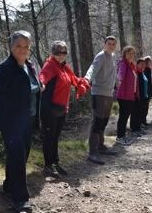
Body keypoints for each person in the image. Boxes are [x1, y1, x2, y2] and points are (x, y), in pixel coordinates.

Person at [0, 31, 40, 213]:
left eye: (26, 46)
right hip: (12, 122)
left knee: (21, 156)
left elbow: (33, 86)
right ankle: (20, 198)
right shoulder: (4, 68)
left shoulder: (29, 66)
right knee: (17, 157)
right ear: (11, 47)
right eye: (18, 46)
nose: (22, 50)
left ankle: (9, 185)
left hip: (28, 119)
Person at [39, 41, 89, 178]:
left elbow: (74, 79)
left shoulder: (64, 67)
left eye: (64, 52)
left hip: (61, 108)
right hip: (50, 109)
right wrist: (41, 83)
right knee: (49, 137)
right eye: (57, 52)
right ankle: (48, 166)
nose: (61, 55)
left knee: (55, 137)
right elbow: (43, 76)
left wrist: (83, 83)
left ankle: (55, 162)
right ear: (52, 53)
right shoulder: (50, 65)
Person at [84, 36, 118, 165]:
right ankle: (92, 152)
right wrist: (87, 79)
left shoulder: (112, 56)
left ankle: (101, 146)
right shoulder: (101, 56)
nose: (111, 46)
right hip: (98, 93)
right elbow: (92, 69)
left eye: (113, 44)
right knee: (97, 121)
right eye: (109, 43)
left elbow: (113, 72)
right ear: (105, 44)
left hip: (109, 94)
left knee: (103, 121)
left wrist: (117, 81)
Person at [115, 46, 140, 146]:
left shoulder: (131, 65)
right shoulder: (123, 64)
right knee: (123, 116)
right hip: (124, 95)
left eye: (133, 53)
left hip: (130, 95)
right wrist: (119, 82)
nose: (131, 55)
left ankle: (122, 135)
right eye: (129, 53)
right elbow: (120, 75)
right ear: (124, 54)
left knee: (125, 116)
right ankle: (120, 137)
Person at [136, 58, 150, 128]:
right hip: (139, 96)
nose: (143, 66)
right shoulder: (136, 73)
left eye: (144, 64)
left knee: (142, 111)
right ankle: (136, 127)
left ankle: (140, 125)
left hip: (144, 95)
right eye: (141, 64)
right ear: (137, 64)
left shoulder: (142, 72)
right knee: (138, 112)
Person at [143, 56, 152, 125]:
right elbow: (148, 82)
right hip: (146, 92)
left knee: (146, 106)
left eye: (150, 62)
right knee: (144, 107)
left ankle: (144, 120)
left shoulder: (149, 70)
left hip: (149, 91)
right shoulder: (146, 70)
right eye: (148, 62)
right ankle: (143, 121)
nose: (150, 63)